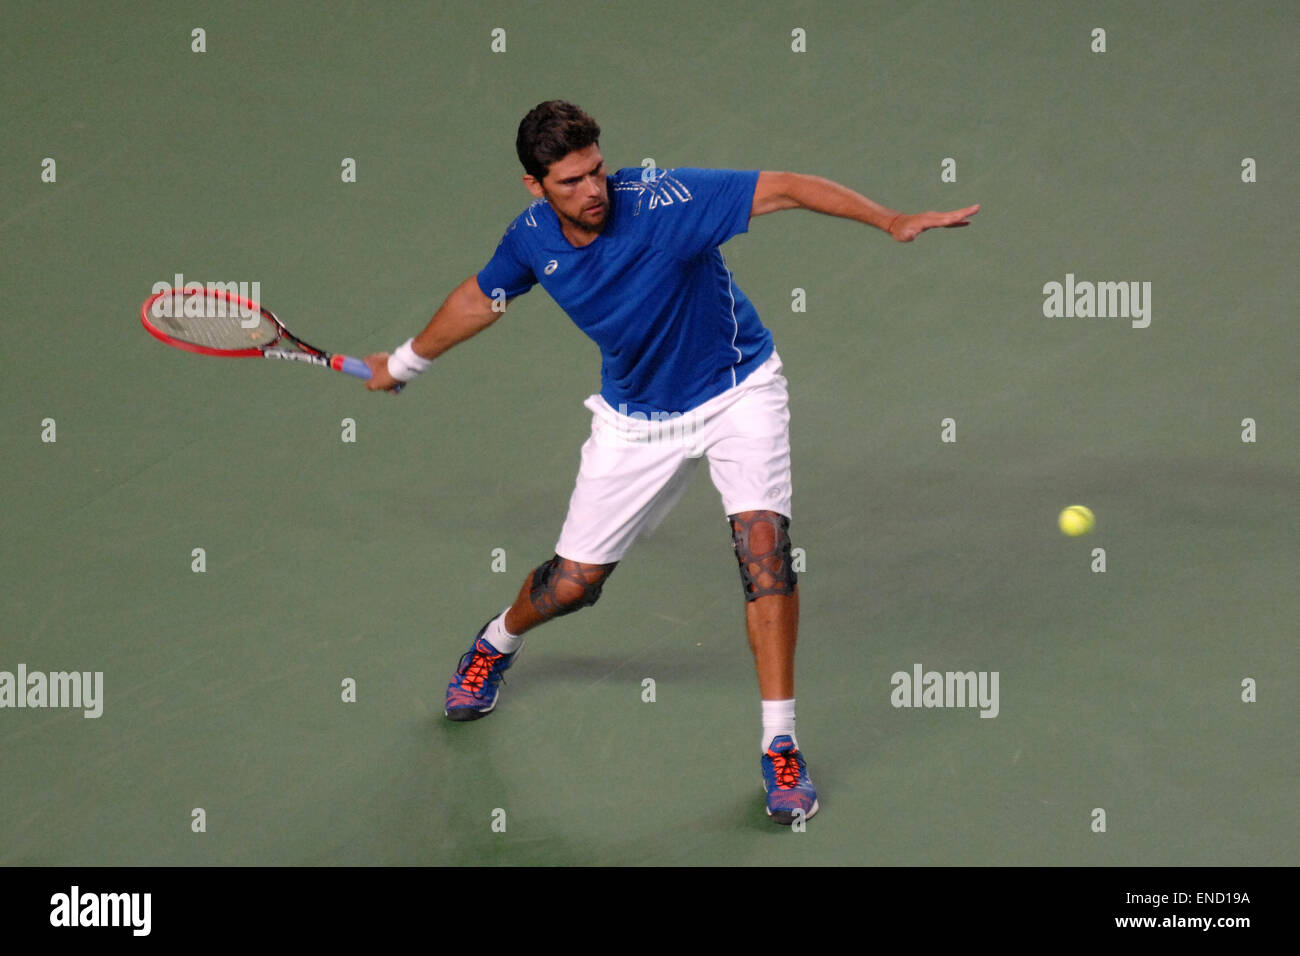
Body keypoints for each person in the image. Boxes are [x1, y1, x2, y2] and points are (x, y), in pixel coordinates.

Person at [364, 100, 978, 825]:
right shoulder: (530, 241)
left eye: (596, 171)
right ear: (535, 186)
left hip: (737, 388)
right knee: (572, 586)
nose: (593, 191)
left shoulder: (666, 200)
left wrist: (890, 220)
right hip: (636, 421)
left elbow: (784, 186)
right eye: (570, 182)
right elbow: (480, 297)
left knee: (765, 552)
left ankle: (779, 744)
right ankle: (498, 640)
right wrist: (406, 361)